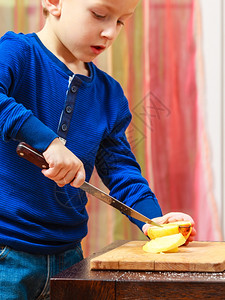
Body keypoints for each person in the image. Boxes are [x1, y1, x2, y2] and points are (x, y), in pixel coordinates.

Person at [0, 0, 196, 298]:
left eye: (121, 22)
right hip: (6, 254)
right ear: (54, 3)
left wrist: (152, 220)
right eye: (100, 15)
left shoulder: (110, 95)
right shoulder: (15, 53)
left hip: (70, 258)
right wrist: (49, 142)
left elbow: (121, 171)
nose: (110, 33)